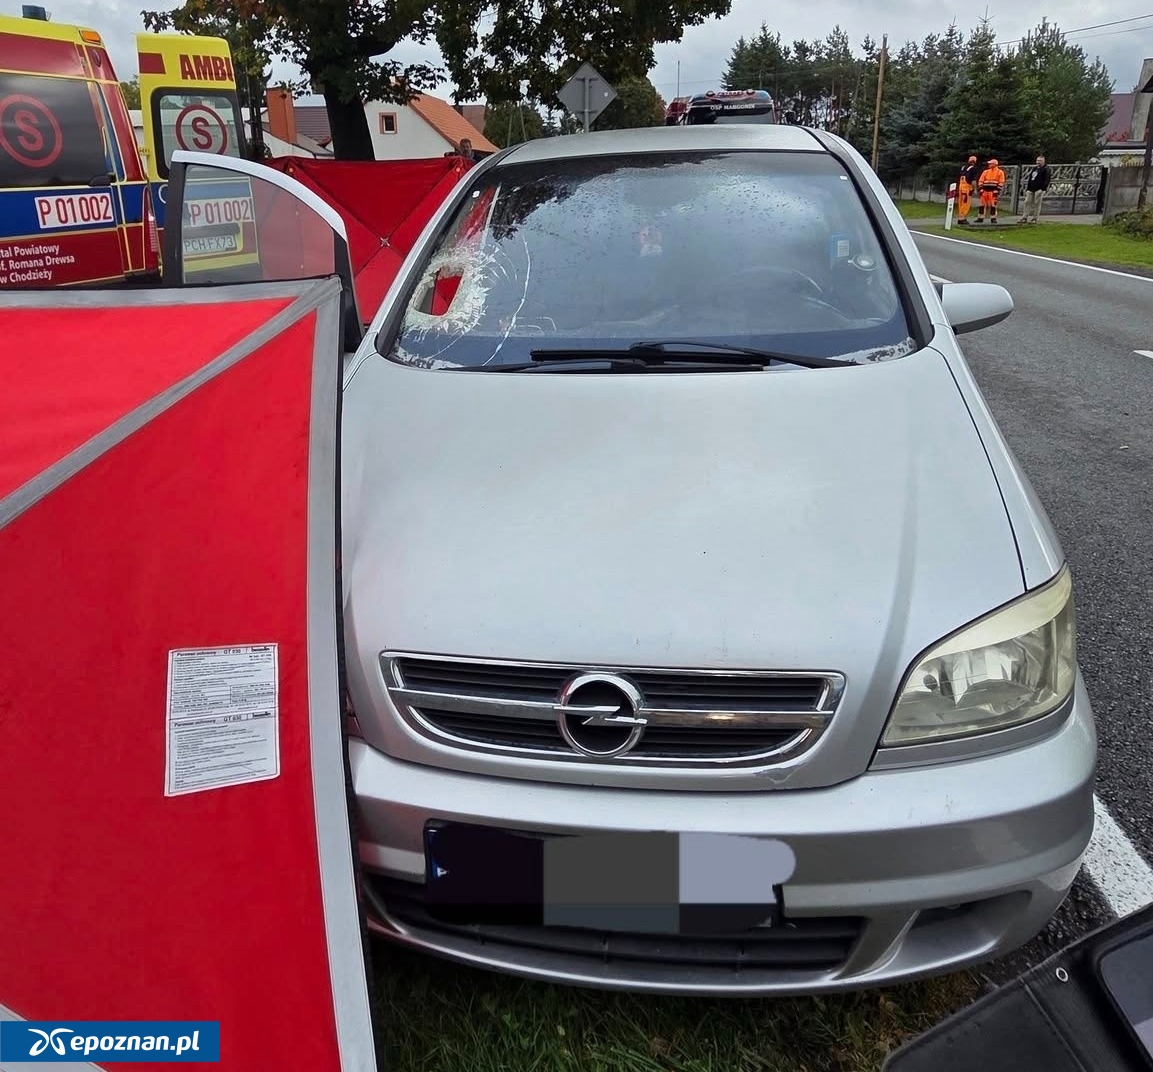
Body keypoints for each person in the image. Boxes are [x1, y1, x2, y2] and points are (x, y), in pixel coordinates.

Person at [975, 157, 1006, 225]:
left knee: (993, 205)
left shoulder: (1000, 172)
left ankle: (993, 218)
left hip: (993, 191)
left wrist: (997, 190)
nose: (989, 164)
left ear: (995, 164)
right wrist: (981, 189)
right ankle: (980, 218)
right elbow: (981, 180)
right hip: (984, 191)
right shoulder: (985, 172)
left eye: (990, 164)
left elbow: (1001, 182)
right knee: (982, 205)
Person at [1022, 155, 1051, 224]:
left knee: (1037, 203)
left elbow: (1047, 180)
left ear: (1043, 161)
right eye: (1037, 160)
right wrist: (1028, 188)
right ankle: (1025, 217)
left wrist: (1042, 189)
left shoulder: (1046, 169)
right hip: (1031, 188)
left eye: (1040, 161)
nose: (1038, 162)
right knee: (1027, 202)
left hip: (1039, 189)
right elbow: (1030, 178)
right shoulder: (1035, 168)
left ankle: (1034, 218)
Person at [956, 155, 980, 225]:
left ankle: (961, 217)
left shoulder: (963, 168)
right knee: (966, 204)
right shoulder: (973, 169)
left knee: (960, 203)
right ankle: (962, 218)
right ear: (975, 162)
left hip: (961, 188)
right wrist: (975, 189)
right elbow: (973, 180)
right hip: (967, 189)